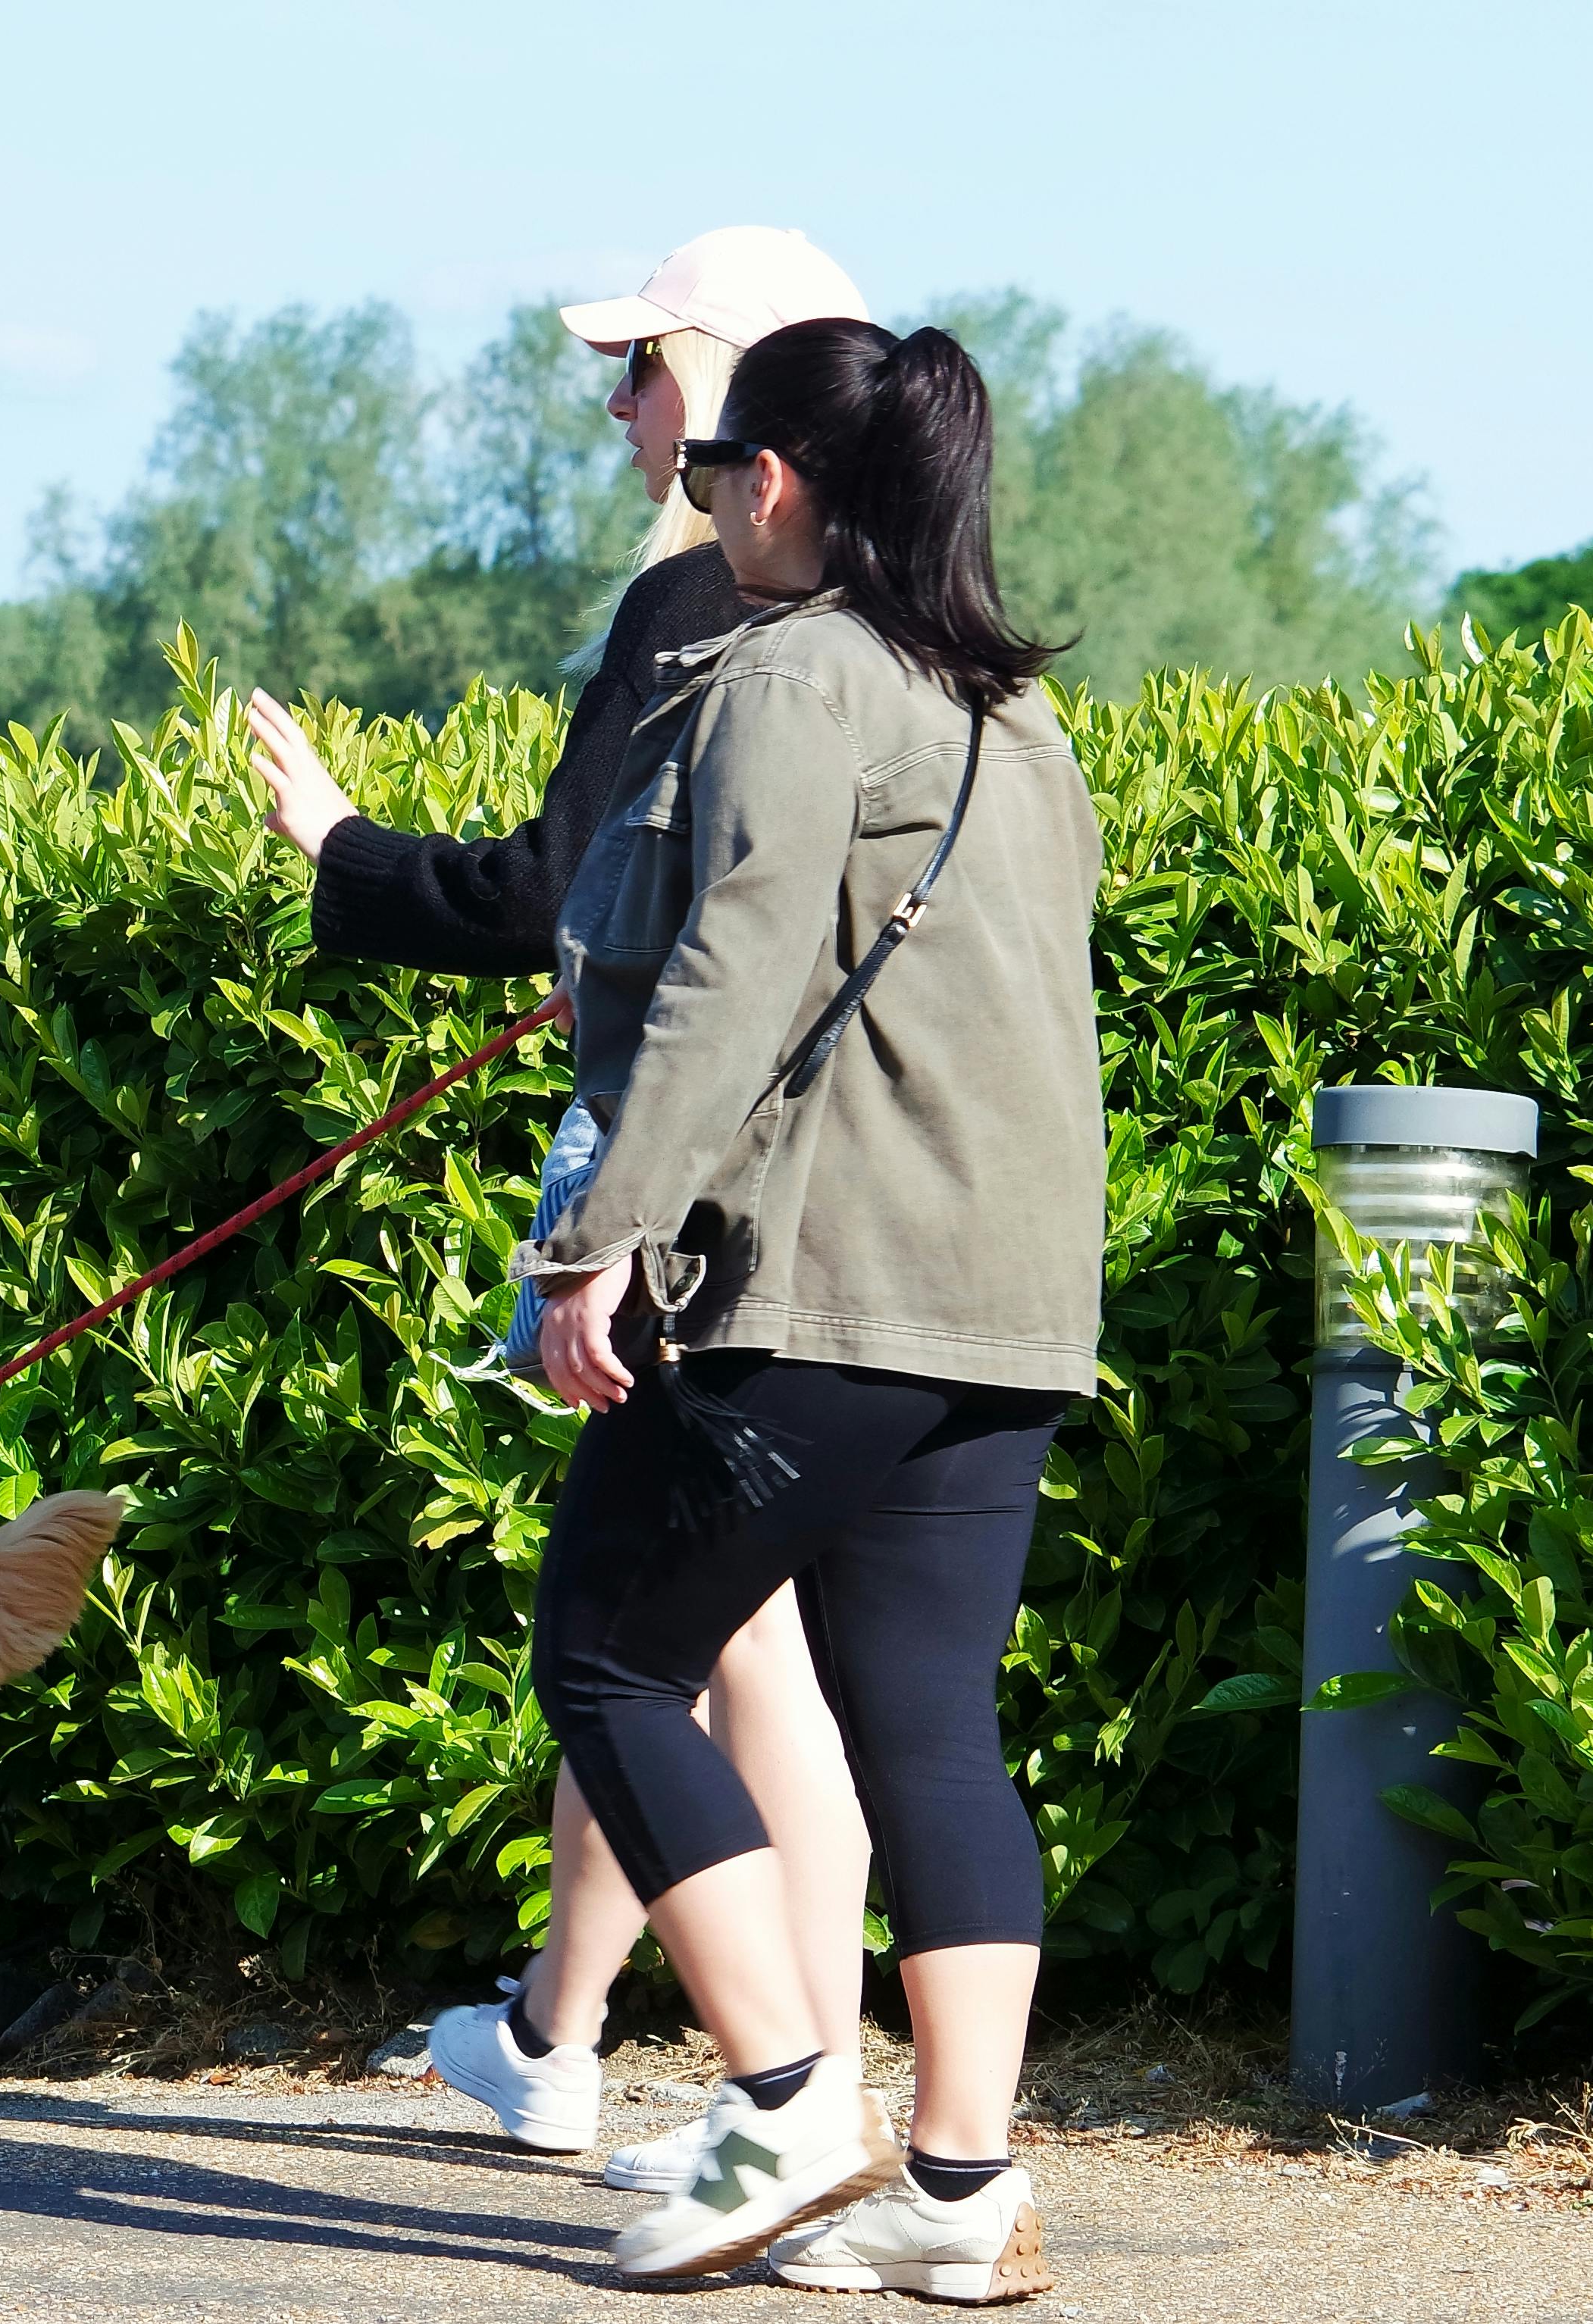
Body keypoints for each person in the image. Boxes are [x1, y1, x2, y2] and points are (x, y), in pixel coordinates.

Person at [242, 230, 884, 2190]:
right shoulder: (899, 607)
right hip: (847, 1175)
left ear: (734, 387)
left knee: (690, 1640)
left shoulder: (703, 593)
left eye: (639, 368)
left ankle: (793, 2099)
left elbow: (553, 893)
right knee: (695, 1628)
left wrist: (336, 848)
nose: (615, 407)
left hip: (689, 1181)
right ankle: (580, 2036)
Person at [518, 317, 1099, 2294]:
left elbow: (728, 972)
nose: (692, 509)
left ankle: (782, 2100)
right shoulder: (1013, 715)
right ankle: (960, 2195)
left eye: (703, 477)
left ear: (771, 479)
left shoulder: (789, 681)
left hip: (827, 1289)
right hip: (1010, 1306)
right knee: (929, 1725)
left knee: (603, 1649)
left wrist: (600, 1229)